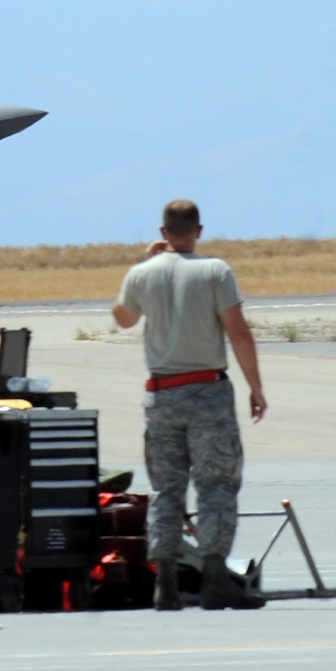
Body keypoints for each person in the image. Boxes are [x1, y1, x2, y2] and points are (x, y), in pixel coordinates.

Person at [113, 199, 268, 611]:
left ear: (163, 233)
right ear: (198, 231)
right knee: (216, 484)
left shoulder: (142, 274)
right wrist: (256, 387)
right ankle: (215, 577)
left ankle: (165, 584)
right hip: (207, 392)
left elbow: (123, 318)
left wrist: (144, 264)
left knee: (167, 488)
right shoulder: (215, 271)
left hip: (161, 394)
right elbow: (238, 333)